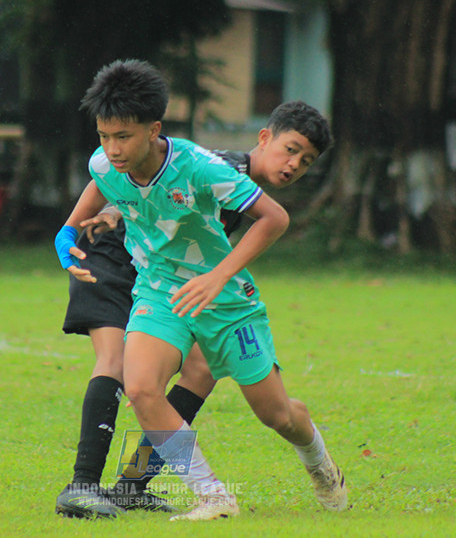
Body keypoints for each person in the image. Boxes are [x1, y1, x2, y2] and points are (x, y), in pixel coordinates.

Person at [56, 59, 347, 521]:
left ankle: (318, 460)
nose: (112, 148)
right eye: (105, 136)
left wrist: (218, 276)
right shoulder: (109, 159)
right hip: (159, 291)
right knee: (141, 387)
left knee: (276, 415)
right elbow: (102, 180)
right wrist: (68, 233)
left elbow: (275, 218)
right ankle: (210, 495)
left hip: (227, 301)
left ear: (153, 130)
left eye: (123, 137)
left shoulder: (203, 168)